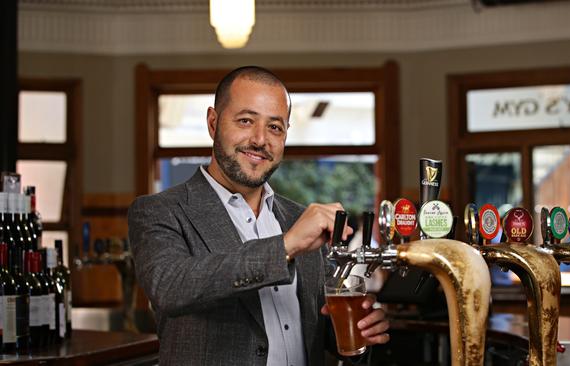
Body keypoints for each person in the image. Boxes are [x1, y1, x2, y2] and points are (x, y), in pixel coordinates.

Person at [128, 66, 389, 366]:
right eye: (245, 121)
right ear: (213, 123)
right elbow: (171, 286)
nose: (260, 139)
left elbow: (323, 330)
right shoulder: (159, 211)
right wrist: (285, 246)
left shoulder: (297, 218)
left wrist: (359, 334)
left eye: (275, 127)